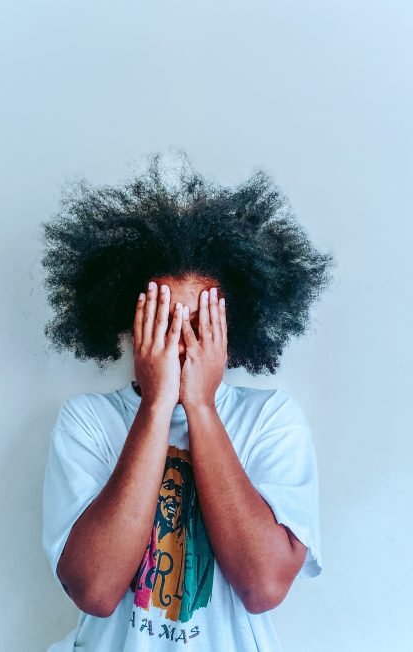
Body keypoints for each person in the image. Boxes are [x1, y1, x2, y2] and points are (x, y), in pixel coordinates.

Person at [41, 151, 335, 651]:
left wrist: (200, 407)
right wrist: (156, 405)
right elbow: (94, 590)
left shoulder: (271, 419)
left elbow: (263, 587)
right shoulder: (87, 421)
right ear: (131, 324)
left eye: (200, 324)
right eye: (163, 321)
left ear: (230, 331)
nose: (182, 343)